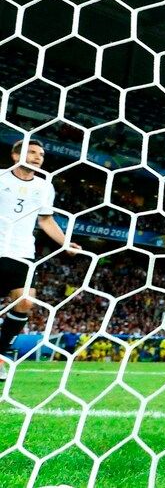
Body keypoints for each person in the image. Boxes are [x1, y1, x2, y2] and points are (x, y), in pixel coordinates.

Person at [0, 139, 81, 381]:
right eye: (32, 152)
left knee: (25, 301)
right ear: (15, 156)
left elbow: (45, 220)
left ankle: (1, 354)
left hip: (23, 251)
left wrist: (65, 242)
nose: (38, 157)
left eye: (41, 154)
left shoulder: (44, 186)